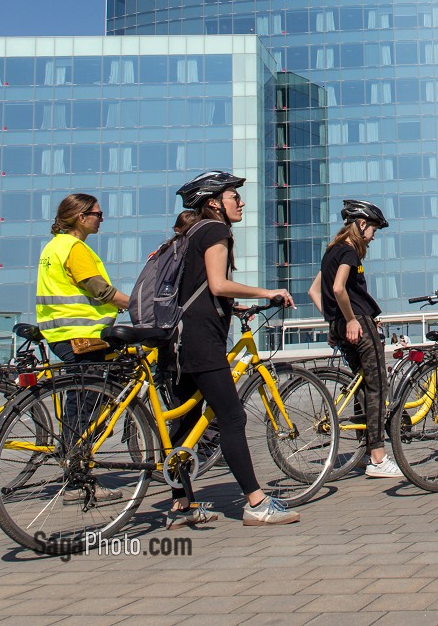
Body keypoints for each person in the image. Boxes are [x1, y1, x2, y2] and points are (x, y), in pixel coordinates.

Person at [170, 169, 302, 527]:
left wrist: (234, 305)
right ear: (214, 203)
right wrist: (266, 293)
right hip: (202, 339)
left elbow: (195, 288)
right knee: (232, 417)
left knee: (185, 423)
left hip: (178, 338)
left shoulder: (188, 233)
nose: (241, 203)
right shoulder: (215, 230)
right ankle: (256, 504)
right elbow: (217, 283)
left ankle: (181, 506)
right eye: (234, 197)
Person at [308, 199, 402, 478]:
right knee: (378, 387)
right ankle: (378, 457)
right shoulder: (349, 251)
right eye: (373, 229)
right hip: (357, 325)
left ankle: (364, 450)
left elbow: (315, 291)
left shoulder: (331, 252)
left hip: (343, 324)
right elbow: (338, 289)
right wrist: (350, 319)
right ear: (361, 225)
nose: (373, 237)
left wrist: (334, 320)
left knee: (361, 384)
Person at [35, 194, 131, 364]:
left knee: (93, 385)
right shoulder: (75, 248)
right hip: (81, 335)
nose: (101, 220)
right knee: (89, 389)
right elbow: (102, 291)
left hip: (61, 333)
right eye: (98, 215)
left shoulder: (53, 246)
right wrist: (139, 305)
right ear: (81, 217)